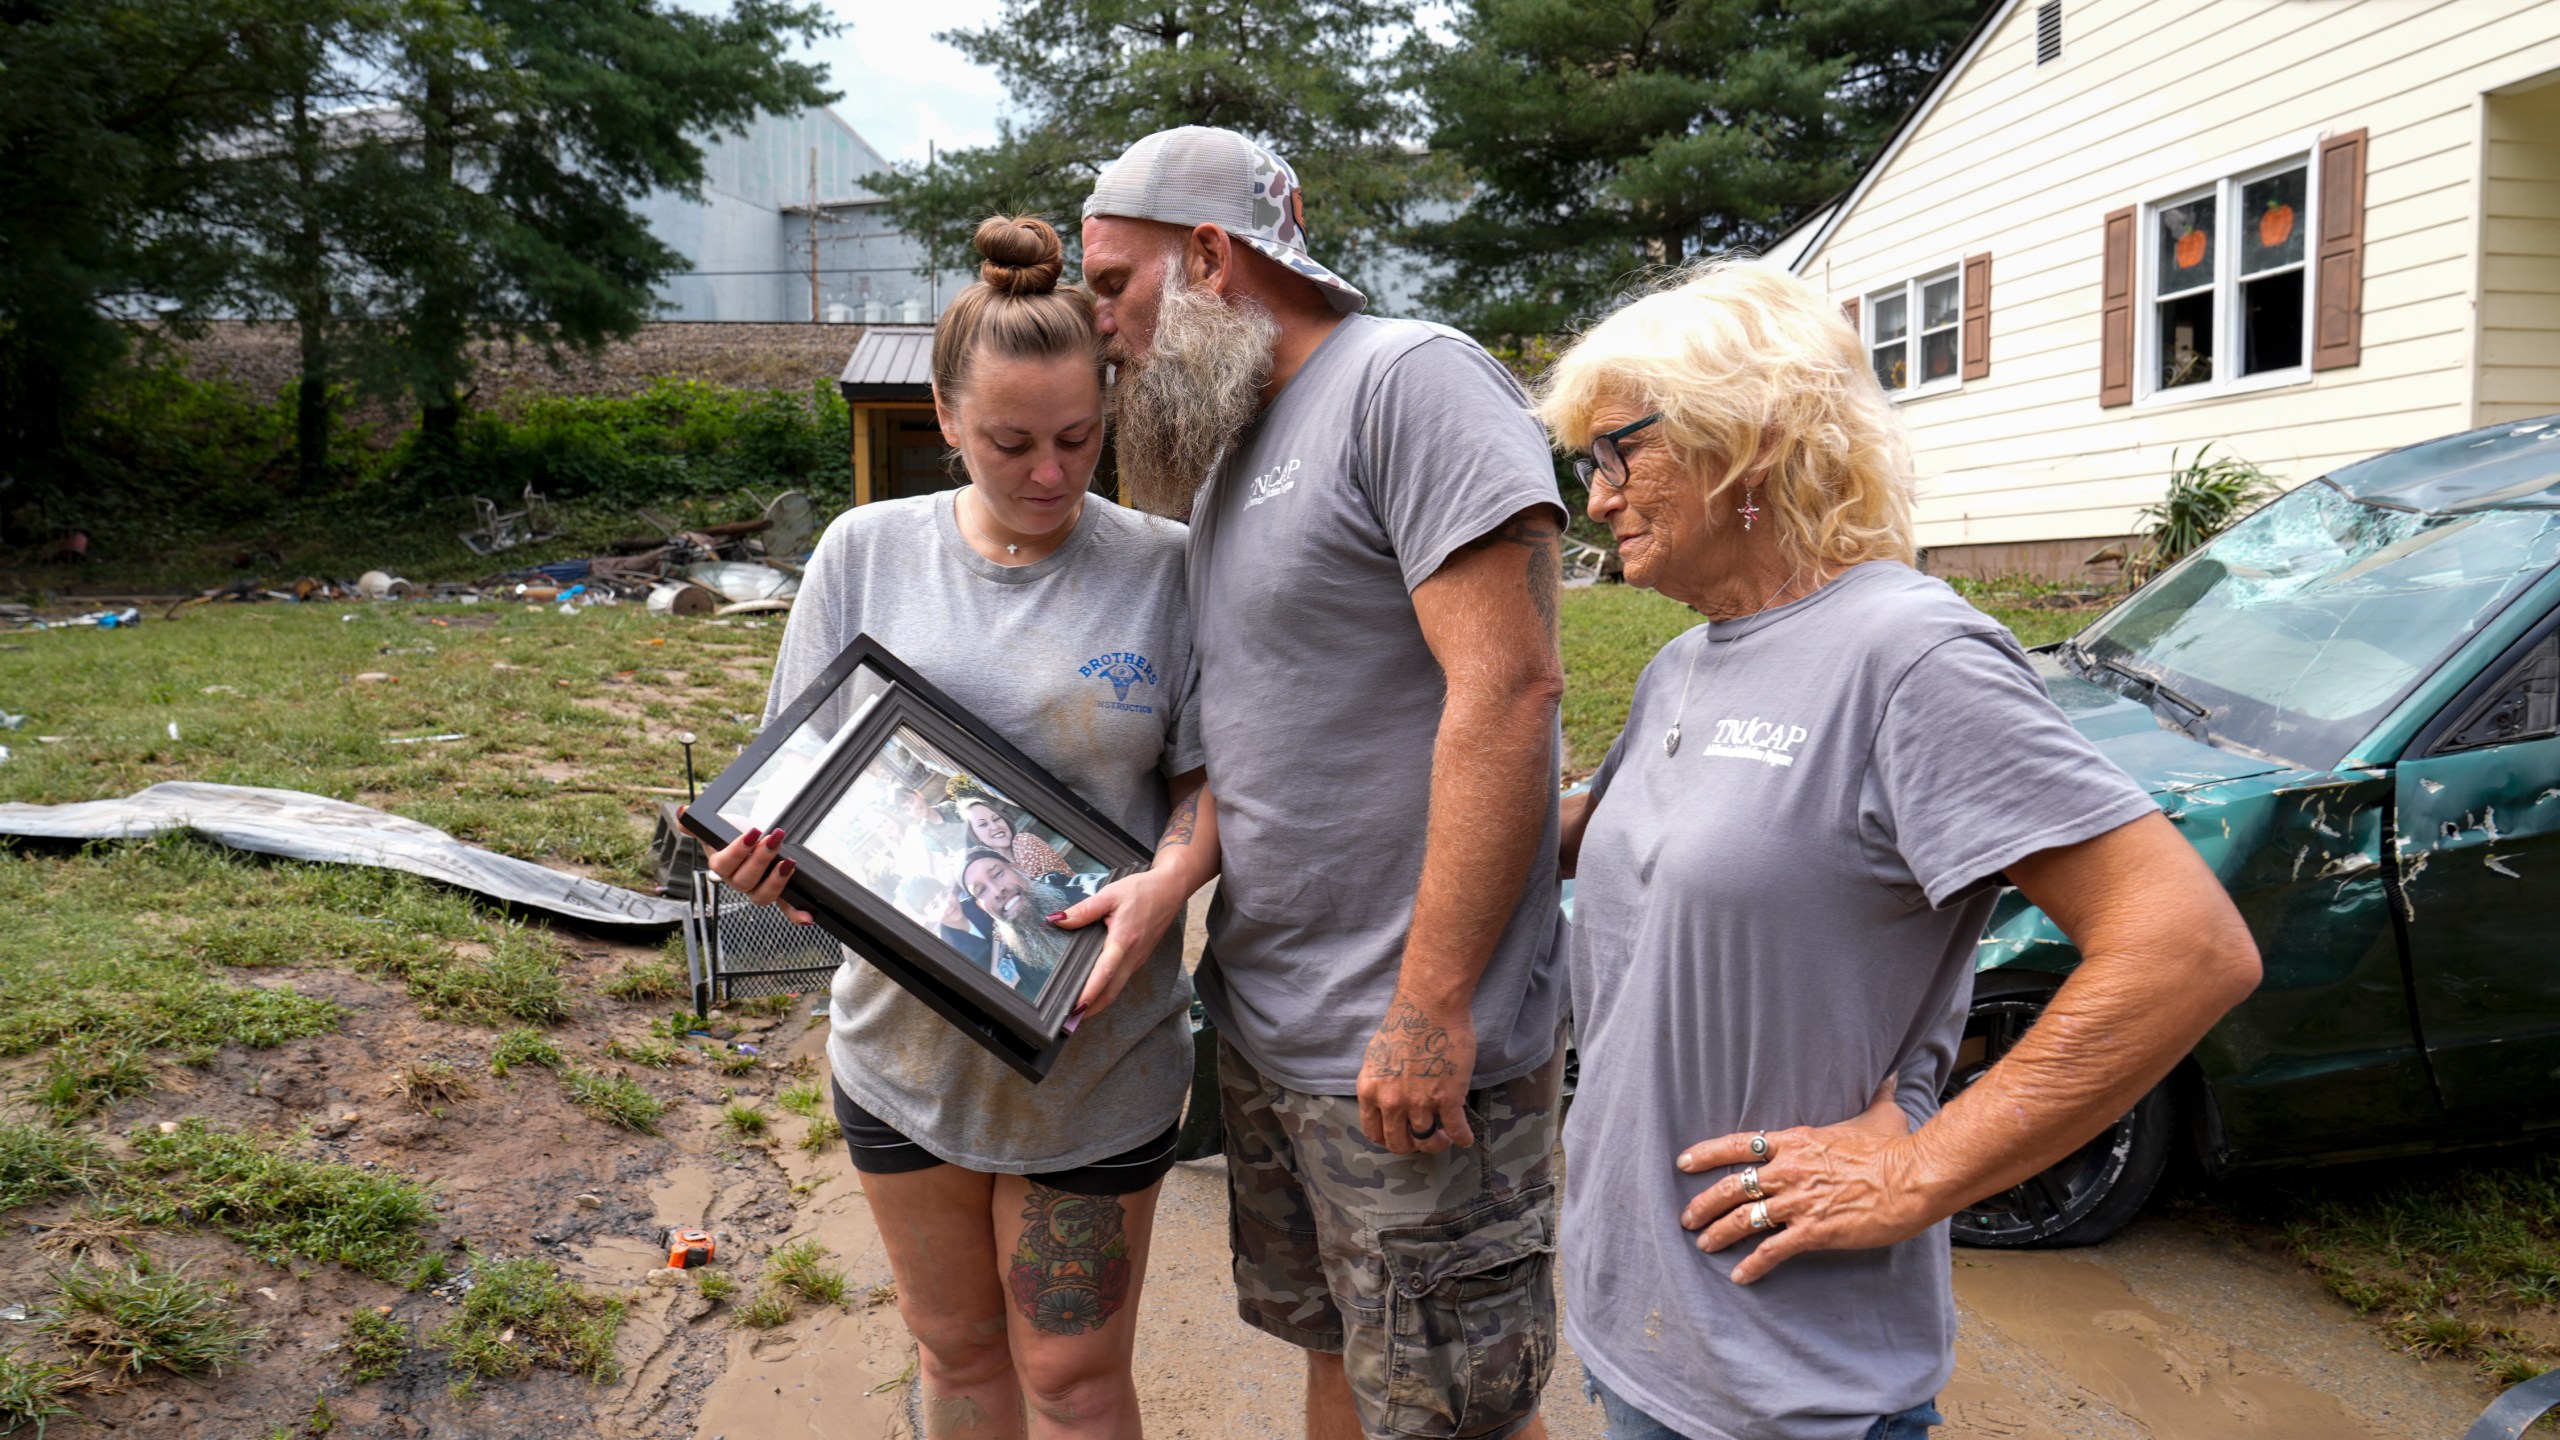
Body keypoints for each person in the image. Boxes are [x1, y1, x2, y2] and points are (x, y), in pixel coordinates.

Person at [1537, 260, 2262, 1440]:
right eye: (1588, 465)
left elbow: (2182, 949)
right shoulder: (1690, 661)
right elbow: (1614, 843)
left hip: (1791, 1383)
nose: (1599, 494)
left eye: (1618, 451)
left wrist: (1919, 1171)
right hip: (1641, 1329)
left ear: (1750, 436)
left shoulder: (1908, 652)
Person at [701, 214, 1226, 1440]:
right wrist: (772, 869)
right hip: (900, 1063)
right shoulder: (862, 554)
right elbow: (796, 790)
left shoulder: (1165, 569)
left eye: (1077, 440)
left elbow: (1210, 789)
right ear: (942, 420)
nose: (1050, 474)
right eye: (1008, 443)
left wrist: (1167, 883)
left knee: (1072, 1381)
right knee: (955, 1356)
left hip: (1099, 1064)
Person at [1081, 127, 1571, 1440]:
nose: (1107, 330)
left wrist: (1431, 1007)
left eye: (1114, 288)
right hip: (1274, 1032)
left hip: (1405, 1045)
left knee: (1456, 1410)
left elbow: (1511, 690)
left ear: (1206, 255)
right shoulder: (1234, 444)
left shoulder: (1411, 382)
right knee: (1336, 1362)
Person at [961, 848, 1110, 995]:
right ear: (981, 907)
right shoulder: (1020, 959)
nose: (996, 891)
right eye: (981, 891)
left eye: (998, 873)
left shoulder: (1083, 890)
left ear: (1019, 869)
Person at [961, 794, 1072, 880]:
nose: (994, 827)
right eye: (983, 824)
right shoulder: (993, 869)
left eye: (996, 819)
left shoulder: (1024, 841)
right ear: (975, 836)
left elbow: (1056, 886)